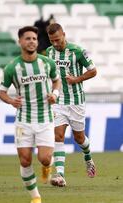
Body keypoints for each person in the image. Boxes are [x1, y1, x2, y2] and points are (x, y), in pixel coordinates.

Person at [0, 26, 61, 203]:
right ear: (20, 41)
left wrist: (55, 95)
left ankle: (47, 169)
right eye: (28, 38)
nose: (32, 41)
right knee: (25, 161)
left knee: (45, 158)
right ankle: (36, 197)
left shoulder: (47, 63)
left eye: (34, 38)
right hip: (23, 121)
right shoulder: (12, 68)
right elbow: (1, 92)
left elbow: (57, 81)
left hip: (45, 119)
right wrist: (11, 101)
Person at [45, 23, 97, 187]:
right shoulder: (49, 52)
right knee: (58, 136)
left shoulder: (77, 52)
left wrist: (77, 79)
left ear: (64, 35)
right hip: (58, 102)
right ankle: (60, 175)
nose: (55, 44)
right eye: (52, 40)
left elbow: (93, 70)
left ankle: (87, 156)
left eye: (58, 40)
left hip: (76, 102)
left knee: (79, 138)